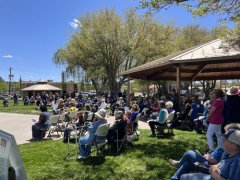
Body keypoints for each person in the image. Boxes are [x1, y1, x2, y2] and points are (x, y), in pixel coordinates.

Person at [169, 123, 240, 180]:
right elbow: (220, 164)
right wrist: (215, 166)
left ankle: (178, 166)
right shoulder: (227, 153)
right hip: (212, 170)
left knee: (189, 154)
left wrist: (215, 174)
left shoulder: (237, 162)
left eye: (224, 140)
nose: (222, 141)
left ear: (233, 145)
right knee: (187, 164)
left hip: (213, 175)